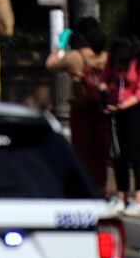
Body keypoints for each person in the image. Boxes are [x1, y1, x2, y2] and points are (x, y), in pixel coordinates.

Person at [48, 17, 112, 191]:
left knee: (82, 151)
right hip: (103, 109)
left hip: (81, 108)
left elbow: (50, 64)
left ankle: (84, 187)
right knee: (100, 152)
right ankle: (101, 188)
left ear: (82, 36)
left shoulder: (75, 57)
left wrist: (59, 45)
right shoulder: (107, 57)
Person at [105, 34, 140, 216]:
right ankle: (120, 196)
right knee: (119, 155)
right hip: (117, 110)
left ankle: (139, 198)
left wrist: (121, 105)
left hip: (136, 110)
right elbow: (107, 79)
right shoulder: (115, 59)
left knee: (137, 154)